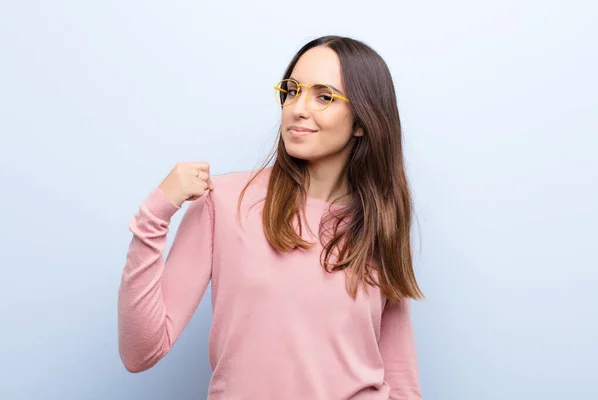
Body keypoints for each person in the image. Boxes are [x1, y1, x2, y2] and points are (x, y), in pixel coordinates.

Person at [118, 35, 424, 400]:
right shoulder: (225, 202)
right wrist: (154, 214)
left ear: (363, 121)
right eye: (292, 91)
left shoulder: (377, 225)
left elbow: (402, 382)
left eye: (324, 96)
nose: (297, 108)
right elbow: (141, 352)